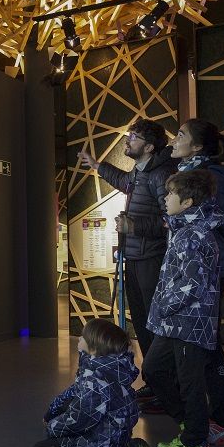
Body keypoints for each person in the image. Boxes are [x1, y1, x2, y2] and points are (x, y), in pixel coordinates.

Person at [77, 119, 177, 359]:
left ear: (150, 147)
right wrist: (97, 166)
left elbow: (171, 220)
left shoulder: (161, 175)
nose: (127, 140)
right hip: (134, 256)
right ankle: (154, 381)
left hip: (150, 258)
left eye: (133, 137)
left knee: (152, 322)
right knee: (141, 321)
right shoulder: (140, 172)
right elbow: (125, 182)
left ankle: (163, 383)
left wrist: (134, 226)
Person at [141, 170, 223, 447]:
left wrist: (164, 306)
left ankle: (195, 441)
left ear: (187, 202)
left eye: (171, 194)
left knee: (190, 383)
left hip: (187, 322)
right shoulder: (185, 231)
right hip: (174, 323)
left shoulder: (191, 235)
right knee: (153, 370)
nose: (165, 198)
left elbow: (192, 285)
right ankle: (192, 424)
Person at [167, 118, 224, 447]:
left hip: (207, 268)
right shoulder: (195, 174)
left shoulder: (211, 179)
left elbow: (209, 221)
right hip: (201, 265)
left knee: (207, 346)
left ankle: (218, 421)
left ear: (196, 146)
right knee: (208, 344)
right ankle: (214, 419)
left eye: (180, 135)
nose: (174, 139)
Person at [33, 318, 147, 447]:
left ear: (94, 348)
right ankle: (126, 445)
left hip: (101, 440)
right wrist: (51, 412)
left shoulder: (94, 379)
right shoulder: (113, 367)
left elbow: (80, 418)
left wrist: (54, 427)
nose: (79, 338)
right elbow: (73, 391)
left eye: (83, 337)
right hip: (118, 429)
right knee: (70, 407)